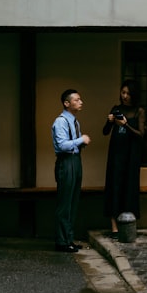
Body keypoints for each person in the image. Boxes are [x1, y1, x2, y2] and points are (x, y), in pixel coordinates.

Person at [102, 81, 146, 238]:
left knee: (130, 187)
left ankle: (129, 223)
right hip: (116, 154)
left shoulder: (139, 111)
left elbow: (140, 135)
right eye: (123, 93)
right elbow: (105, 132)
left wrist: (125, 125)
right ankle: (114, 226)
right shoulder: (116, 109)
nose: (125, 96)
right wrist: (109, 121)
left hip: (132, 156)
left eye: (128, 93)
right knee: (115, 187)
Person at [52, 88, 90, 253]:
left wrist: (81, 142)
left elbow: (73, 143)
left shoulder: (75, 122)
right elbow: (62, 145)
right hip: (66, 162)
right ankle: (61, 241)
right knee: (65, 203)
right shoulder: (61, 121)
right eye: (76, 100)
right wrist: (81, 139)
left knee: (73, 201)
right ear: (66, 103)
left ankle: (68, 239)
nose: (80, 102)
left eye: (80, 99)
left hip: (75, 160)